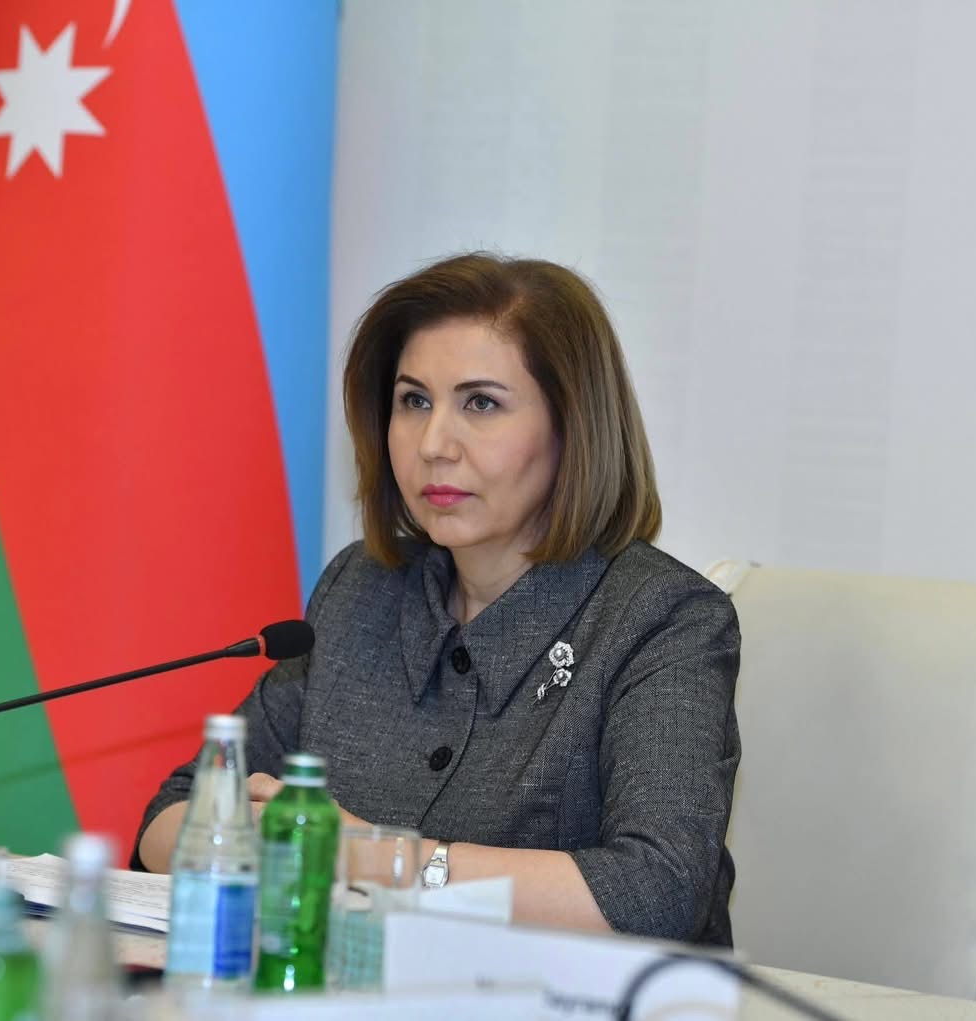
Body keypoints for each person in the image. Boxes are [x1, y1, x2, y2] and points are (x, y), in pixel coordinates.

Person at [133, 253, 741, 945]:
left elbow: (657, 892)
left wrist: (366, 857)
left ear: (573, 426)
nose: (433, 444)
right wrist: (264, 840)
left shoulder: (662, 619)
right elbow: (174, 816)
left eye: (481, 403)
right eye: (414, 401)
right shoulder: (360, 590)